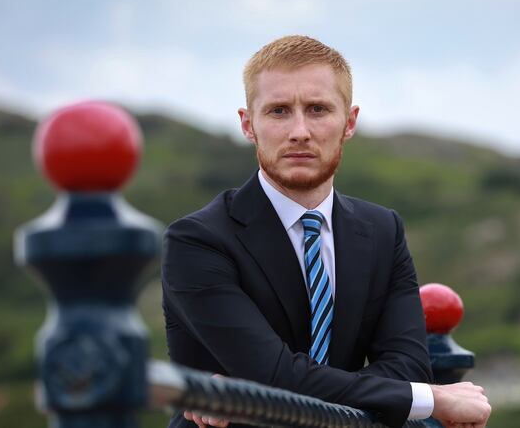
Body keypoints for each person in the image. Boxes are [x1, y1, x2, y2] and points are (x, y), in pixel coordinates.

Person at [161, 35, 491, 428]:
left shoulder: (383, 230)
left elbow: (409, 366)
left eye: (317, 109)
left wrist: (251, 392)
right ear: (249, 125)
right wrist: (429, 399)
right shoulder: (197, 241)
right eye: (279, 111)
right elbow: (275, 375)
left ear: (349, 122)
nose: (299, 130)